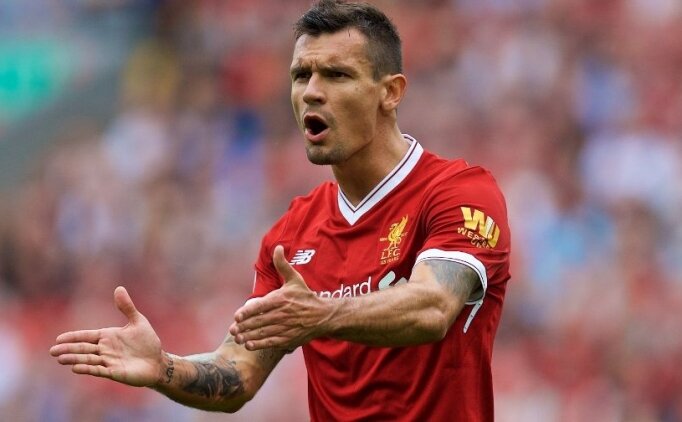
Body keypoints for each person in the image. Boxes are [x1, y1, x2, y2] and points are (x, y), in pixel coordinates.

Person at [50, 0, 511, 420]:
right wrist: (164, 368)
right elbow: (237, 374)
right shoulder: (292, 235)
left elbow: (433, 307)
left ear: (390, 92)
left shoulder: (459, 192)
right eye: (301, 75)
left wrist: (321, 315)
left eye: (336, 75)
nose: (311, 92)